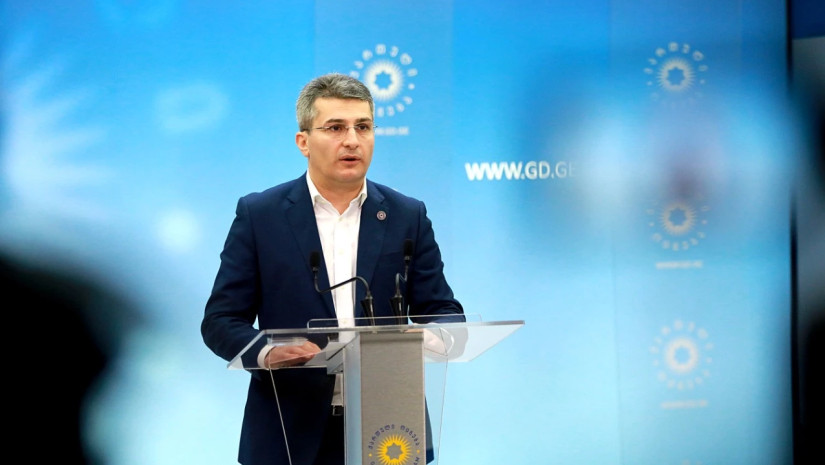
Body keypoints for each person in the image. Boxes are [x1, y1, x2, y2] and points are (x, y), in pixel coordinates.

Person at [201, 73, 464, 465]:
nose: (352, 140)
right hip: (289, 429)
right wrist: (267, 353)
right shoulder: (261, 215)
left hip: (390, 428)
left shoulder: (407, 215)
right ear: (303, 141)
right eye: (336, 127)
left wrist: (428, 336)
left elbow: (444, 311)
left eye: (363, 127)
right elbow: (220, 320)